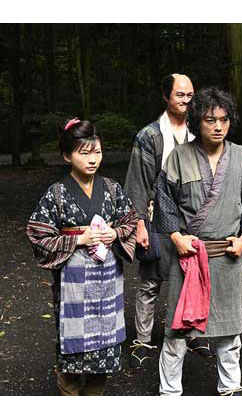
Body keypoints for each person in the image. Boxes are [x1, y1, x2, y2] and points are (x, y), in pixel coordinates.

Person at [155, 87, 242, 396]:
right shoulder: (179, 156)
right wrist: (176, 237)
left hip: (227, 257)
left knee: (230, 333)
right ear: (196, 122)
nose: (218, 127)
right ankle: (169, 394)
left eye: (224, 120)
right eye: (210, 120)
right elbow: (164, 202)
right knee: (177, 331)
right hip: (189, 257)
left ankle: (229, 390)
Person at [26, 119, 138, 395]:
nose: (92, 159)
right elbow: (38, 233)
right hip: (72, 280)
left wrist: (115, 233)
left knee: (105, 342)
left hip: (107, 278)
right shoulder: (57, 194)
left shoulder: (112, 188)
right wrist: (78, 240)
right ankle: (70, 392)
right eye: (84, 153)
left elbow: (130, 220)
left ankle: (95, 396)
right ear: (67, 156)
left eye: (97, 152)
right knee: (72, 345)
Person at [124, 73, 213, 368]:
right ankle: (142, 338)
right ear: (166, 96)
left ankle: (190, 333)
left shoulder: (198, 131)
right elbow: (138, 183)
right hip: (155, 216)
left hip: (191, 216)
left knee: (191, 276)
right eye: (180, 95)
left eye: (190, 95)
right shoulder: (150, 135)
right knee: (151, 280)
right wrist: (139, 224)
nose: (186, 100)